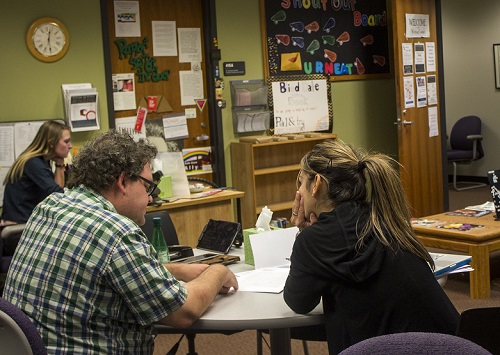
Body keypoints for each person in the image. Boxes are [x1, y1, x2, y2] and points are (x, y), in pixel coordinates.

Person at [3, 130, 238, 354]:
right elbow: (184, 311)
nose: (150, 197)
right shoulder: (116, 231)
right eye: (147, 187)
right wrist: (217, 272)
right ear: (122, 182)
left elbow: (97, 270)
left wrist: (174, 270)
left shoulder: (51, 206)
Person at [283, 139, 459, 354]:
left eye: (301, 182)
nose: (298, 191)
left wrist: (303, 232)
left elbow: (298, 302)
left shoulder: (314, 241)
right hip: (450, 346)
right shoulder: (383, 219)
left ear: (316, 184)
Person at [1, 120, 72, 225]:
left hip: (25, 221)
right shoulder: (33, 163)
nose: (70, 146)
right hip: (17, 226)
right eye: (66, 142)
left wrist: (59, 164)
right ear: (51, 143)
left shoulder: (44, 161)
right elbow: (57, 194)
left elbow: (57, 193)